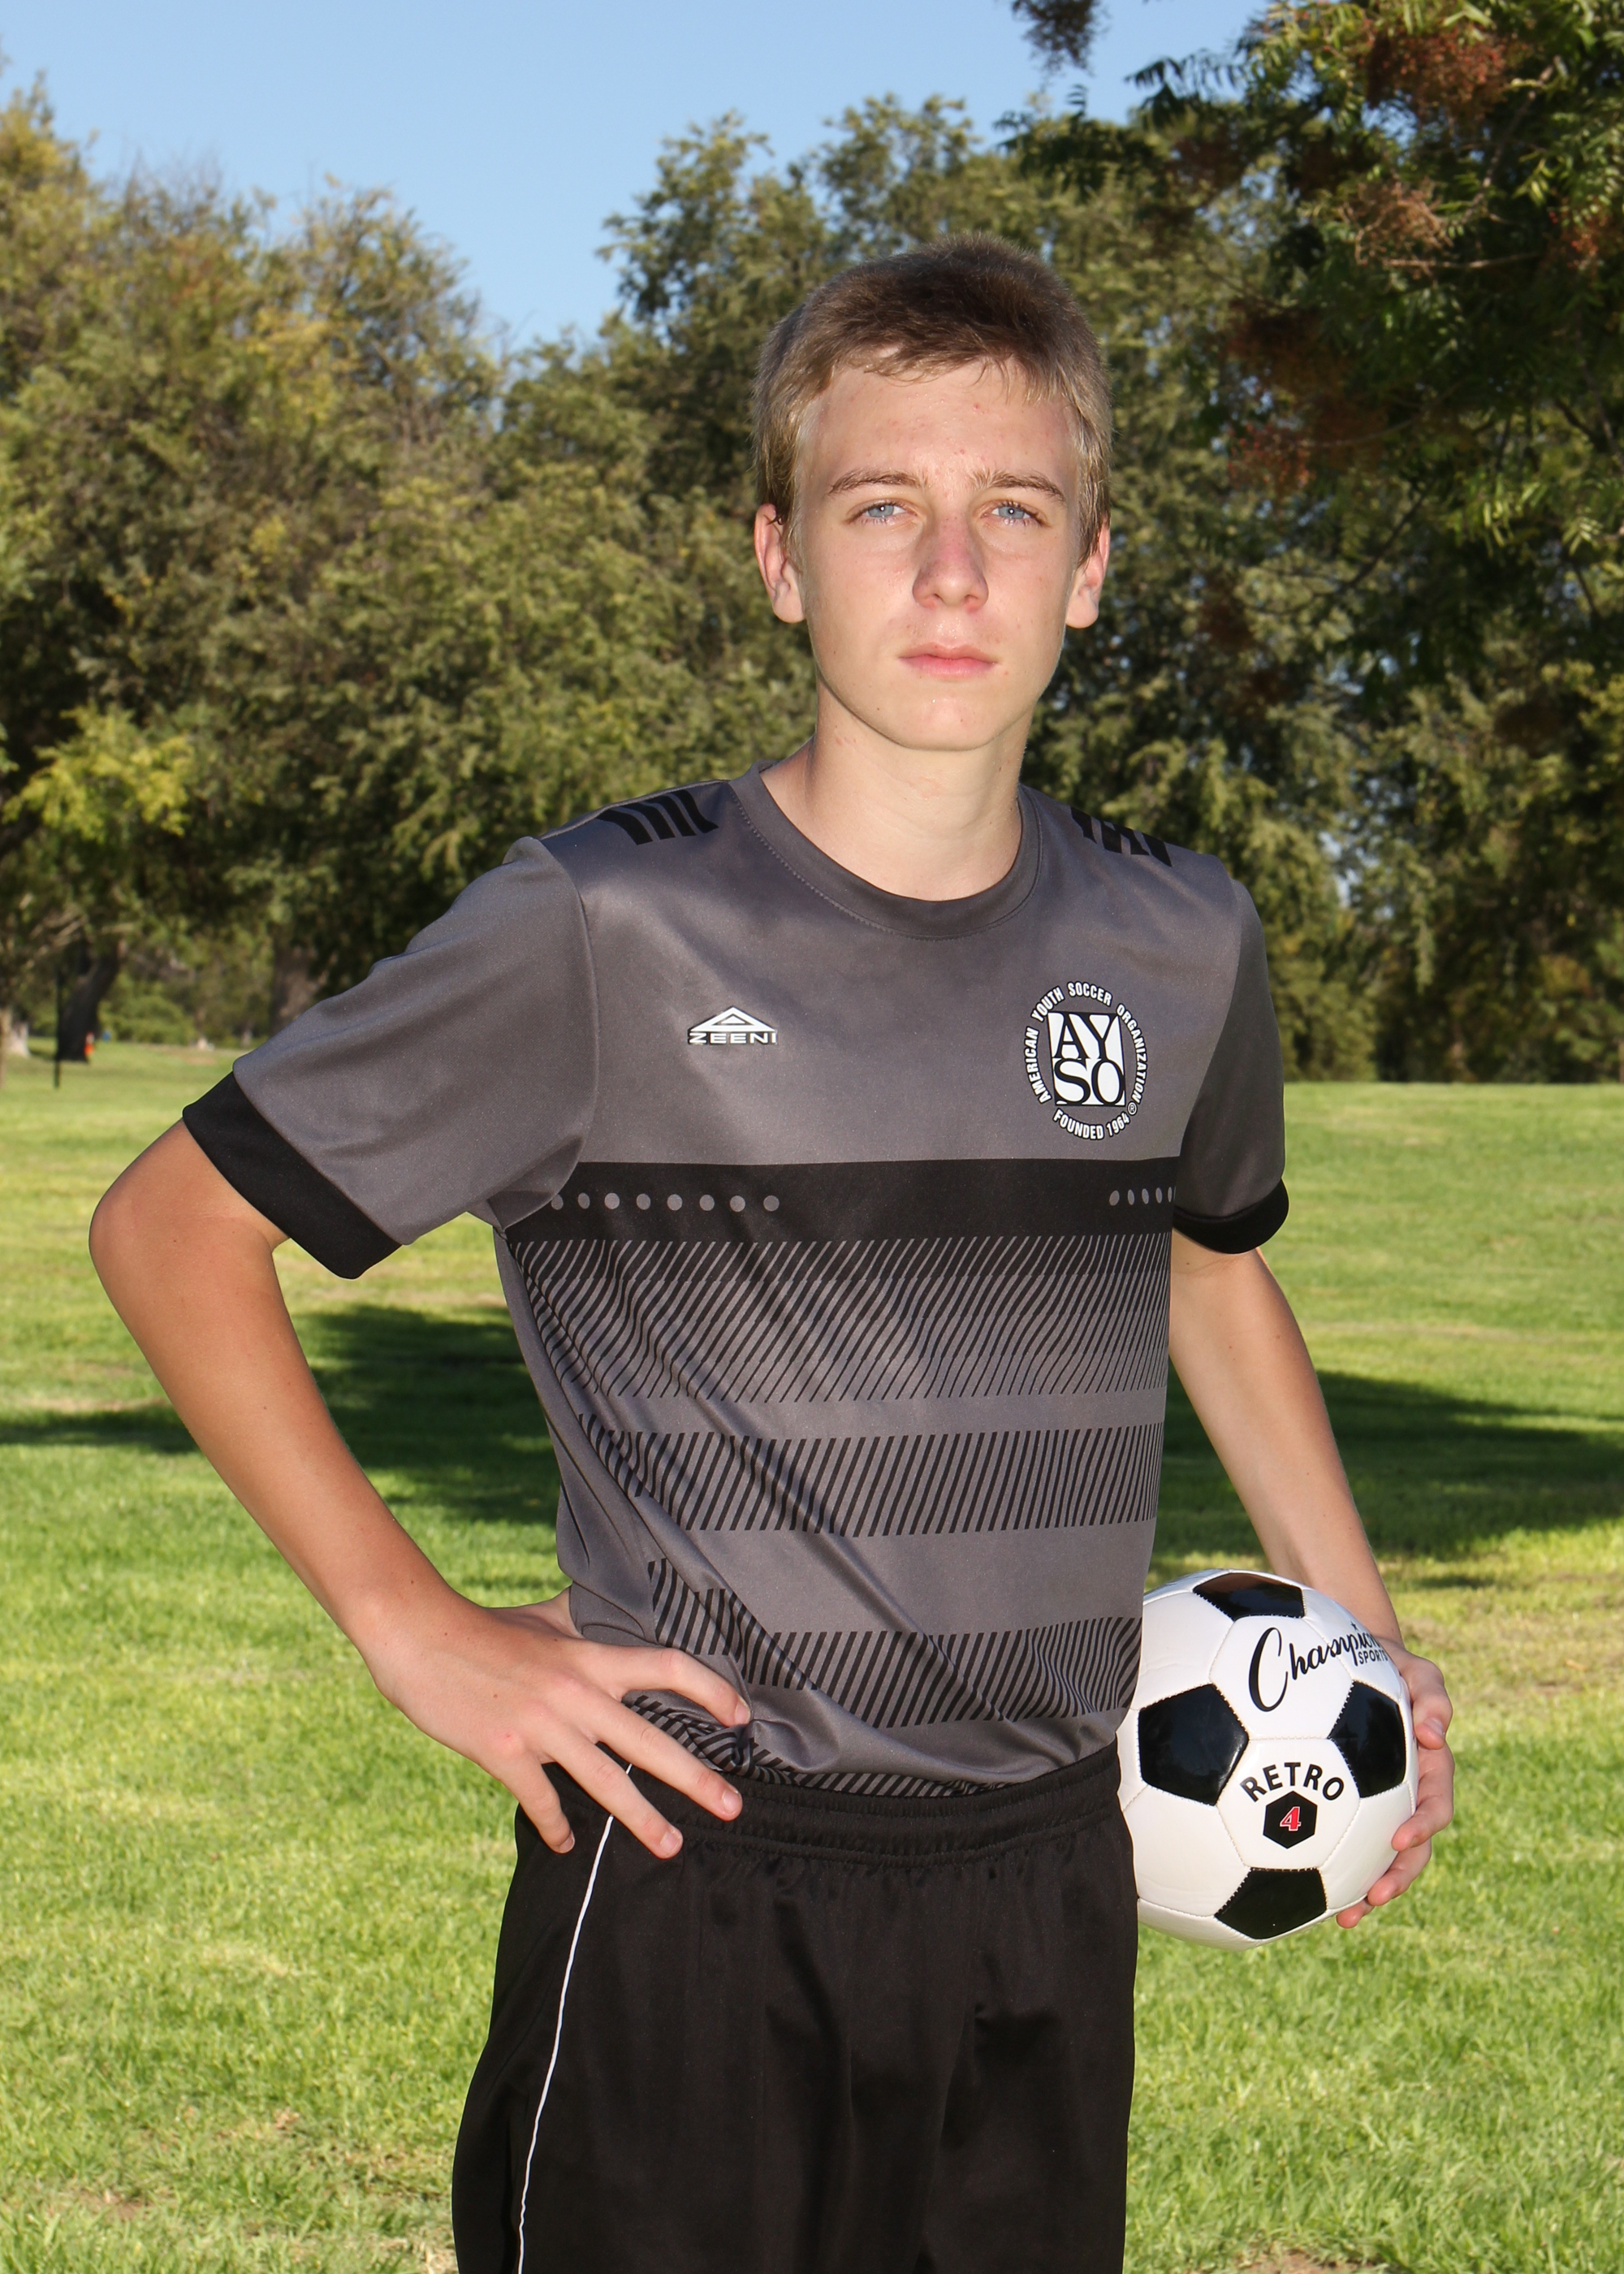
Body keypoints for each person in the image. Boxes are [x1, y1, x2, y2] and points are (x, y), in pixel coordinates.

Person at [90, 236, 1454, 2274]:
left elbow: (1202, 1265)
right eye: (880, 506)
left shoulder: (1180, 937)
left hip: (1047, 1874)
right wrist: (409, 1620)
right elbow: (171, 1226)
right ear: (778, 557)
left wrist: (1362, 1644)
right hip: (696, 1865)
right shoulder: (604, 927)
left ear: (1091, 565)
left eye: (1015, 511)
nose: (952, 572)